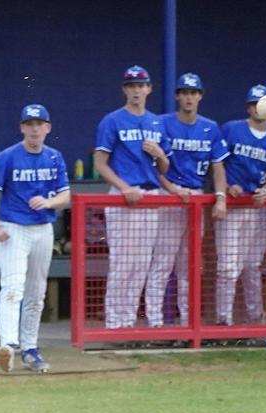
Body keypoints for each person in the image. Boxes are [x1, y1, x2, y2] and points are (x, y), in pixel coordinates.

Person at [0, 104, 70, 373]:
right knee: (12, 288)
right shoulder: (7, 157)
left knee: (36, 292)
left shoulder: (54, 157)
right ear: (22, 127)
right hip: (13, 228)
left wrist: (49, 201)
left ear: (47, 127)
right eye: (29, 124)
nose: (34, 128)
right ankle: (7, 345)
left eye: (39, 124)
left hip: (42, 228)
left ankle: (30, 348)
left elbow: (67, 196)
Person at [93, 65, 173, 329]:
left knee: (141, 263)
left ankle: (128, 321)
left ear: (149, 89)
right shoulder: (113, 120)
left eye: (141, 85)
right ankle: (114, 323)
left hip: (151, 195)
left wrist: (159, 154)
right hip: (123, 196)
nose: (136, 90)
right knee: (122, 262)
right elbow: (100, 163)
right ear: (125, 90)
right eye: (131, 86)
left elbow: (164, 169)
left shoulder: (156, 122)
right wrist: (124, 186)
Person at [159, 73, 230, 326]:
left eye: (193, 93)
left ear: (200, 96)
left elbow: (218, 167)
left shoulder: (210, 127)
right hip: (170, 196)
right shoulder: (162, 123)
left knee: (189, 266)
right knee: (162, 263)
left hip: (197, 196)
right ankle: (157, 322)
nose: (189, 97)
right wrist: (172, 189)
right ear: (178, 95)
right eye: (184, 92)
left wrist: (220, 197)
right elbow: (155, 167)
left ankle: (189, 321)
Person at [215, 85, 266, 326]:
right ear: (249, 107)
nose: (259, 108)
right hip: (230, 208)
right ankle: (222, 320)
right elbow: (217, 164)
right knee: (227, 267)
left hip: (254, 210)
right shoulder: (232, 130)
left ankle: (254, 318)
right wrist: (225, 188)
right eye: (255, 104)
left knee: (248, 265)